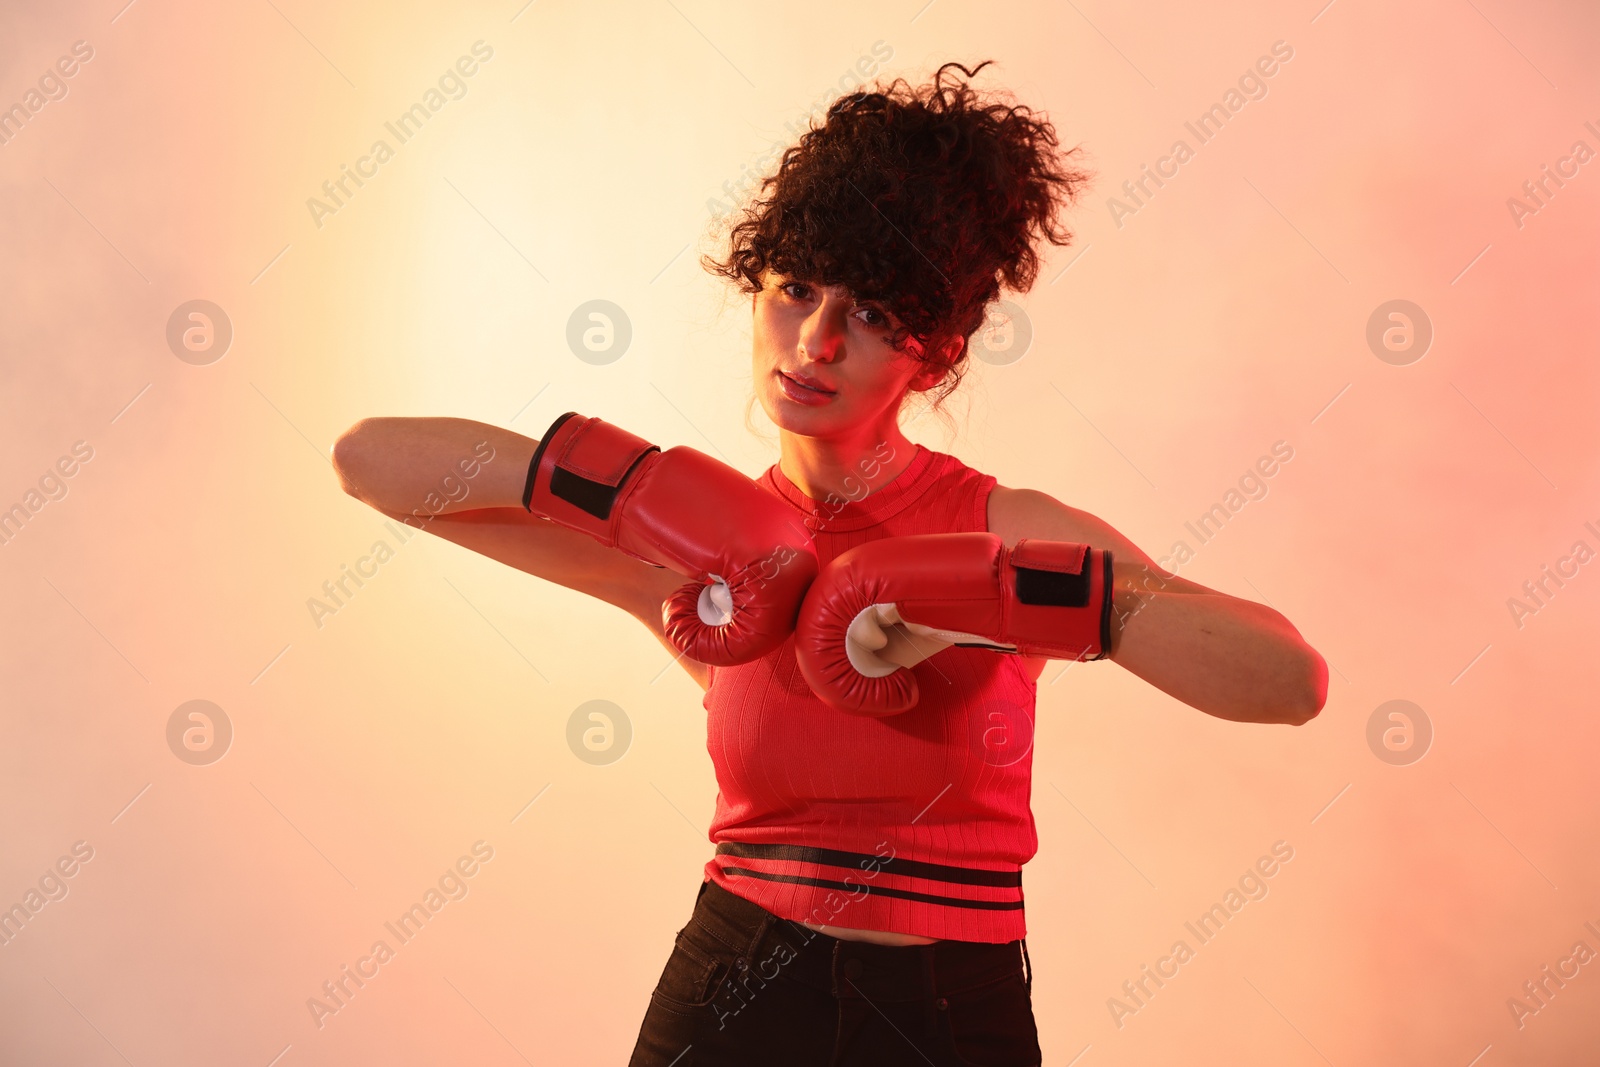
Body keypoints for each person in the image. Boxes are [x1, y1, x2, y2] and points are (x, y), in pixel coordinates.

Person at [333, 59, 1327, 1067]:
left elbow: (1289, 680)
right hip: (729, 989)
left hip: (948, 1003)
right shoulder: (691, 552)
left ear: (931, 351)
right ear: (754, 286)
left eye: (868, 312)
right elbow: (367, 463)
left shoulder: (1000, 526)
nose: (811, 340)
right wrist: (629, 482)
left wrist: (987, 595)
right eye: (795, 288)